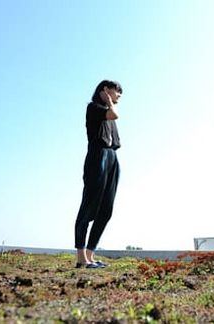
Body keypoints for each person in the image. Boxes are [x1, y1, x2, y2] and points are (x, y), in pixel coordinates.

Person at [74, 80, 123, 268]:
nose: (119, 96)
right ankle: (81, 258)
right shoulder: (94, 108)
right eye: (116, 91)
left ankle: (90, 255)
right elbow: (113, 114)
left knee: (106, 209)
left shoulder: (109, 116)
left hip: (112, 157)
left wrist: (111, 101)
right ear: (105, 90)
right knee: (89, 205)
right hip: (98, 155)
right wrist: (110, 102)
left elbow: (113, 119)